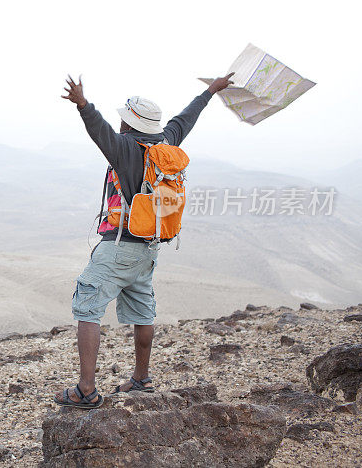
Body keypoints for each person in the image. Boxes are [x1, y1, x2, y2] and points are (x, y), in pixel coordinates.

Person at [53, 72, 234, 409]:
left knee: (88, 305)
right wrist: (210, 91)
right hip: (148, 249)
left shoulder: (124, 148)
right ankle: (141, 378)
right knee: (142, 310)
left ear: (129, 123)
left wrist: (82, 104)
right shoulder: (166, 145)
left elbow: (99, 131)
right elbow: (185, 119)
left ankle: (86, 389)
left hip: (118, 245)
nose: (119, 123)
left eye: (124, 118)